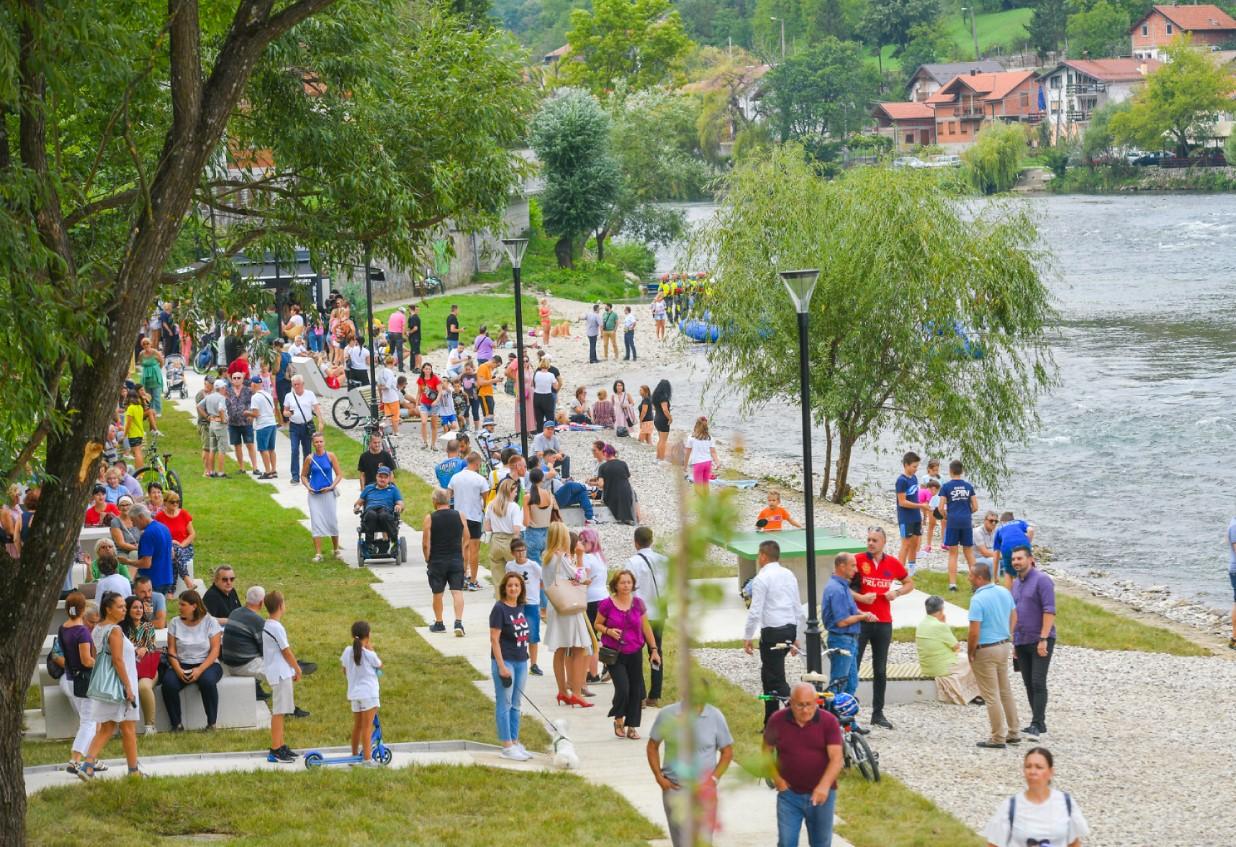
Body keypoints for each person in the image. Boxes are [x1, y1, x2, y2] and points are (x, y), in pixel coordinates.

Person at [763, 682, 845, 847]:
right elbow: (765, 752)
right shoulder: (777, 720)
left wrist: (823, 787)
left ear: (816, 701)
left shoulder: (828, 722)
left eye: (809, 704)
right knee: (786, 842)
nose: (805, 710)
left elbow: (837, 758)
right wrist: (777, 779)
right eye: (800, 705)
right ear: (791, 702)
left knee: (821, 843)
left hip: (822, 797)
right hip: (789, 795)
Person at [646, 694, 734, 847]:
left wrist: (713, 779)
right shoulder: (667, 714)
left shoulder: (715, 716)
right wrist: (659, 777)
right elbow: (652, 746)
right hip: (675, 789)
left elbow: (727, 752)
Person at [851, 527, 913, 730]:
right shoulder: (858, 560)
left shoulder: (893, 563)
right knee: (854, 666)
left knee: (880, 669)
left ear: (883, 543)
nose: (870, 543)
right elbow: (841, 584)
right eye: (868, 539)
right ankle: (848, 711)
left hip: (884, 621)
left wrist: (897, 592)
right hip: (861, 620)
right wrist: (860, 597)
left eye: (874, 540)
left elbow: (909, 583)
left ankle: (878, 713)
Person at [76, 591, 141, 780]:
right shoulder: (115, 630)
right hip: (120, 686)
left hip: (108, 685)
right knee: (128, 729)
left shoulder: (97, 629)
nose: (124, 610)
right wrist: (128, 687)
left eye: (124, 606)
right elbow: (118, 660)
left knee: (106, 728)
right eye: (120, 607)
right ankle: (133, 771)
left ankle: (87, 764)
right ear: (108, 609)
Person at [743, 539, 806, 726]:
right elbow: (797, 606)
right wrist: (797, 636)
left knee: (776, 678)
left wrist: (748, 636)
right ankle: (770, 721)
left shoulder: (761, 579)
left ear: (763, 556)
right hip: (789, 628)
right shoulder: (789, 574)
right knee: (768, 674)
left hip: (772, 631)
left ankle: (796, 715)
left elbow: (755, 610)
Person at [595, 569, 660, 739]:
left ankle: (632, 726)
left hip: (634, 651)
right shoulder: (607, 604)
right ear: (615, 585)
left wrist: (654, 650)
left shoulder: (638, 603)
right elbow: (597, 624)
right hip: (614, 654)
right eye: (622, 582)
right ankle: (618, 719)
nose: (626, 585)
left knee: (636, 690)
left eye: (629, 582)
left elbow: (646, 628)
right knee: (623, 688)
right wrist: (608, 631)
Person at [983, 748, 1089, 847]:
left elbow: (1074, 843)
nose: (1032, 772)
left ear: (1051, 772)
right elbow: (993, 844)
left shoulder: (1066, 803)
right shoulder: (1010, 806)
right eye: (1028, 766)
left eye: (1039, 767)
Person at [967, 561, 1021, 749]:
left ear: (980, 578)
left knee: (991, 695)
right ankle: (1014, 732)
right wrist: (1009, 634)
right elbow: (1014, 615)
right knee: (1005, 690)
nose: (969, 579)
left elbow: (974, 631)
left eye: (971, 576)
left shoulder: (977, 599)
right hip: (1003, 645)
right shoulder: (1004, 592)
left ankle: (998, 736)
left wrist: (970, 652)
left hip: (986, 648)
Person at [542, 523, 594, 708]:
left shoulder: (546, 556)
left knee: (560, 648)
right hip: (569, 605)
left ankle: (563, 691)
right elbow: (579, 575)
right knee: (579, 647)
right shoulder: (560, 556)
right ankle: (577, 692)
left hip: (556, 605)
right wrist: (580, 558)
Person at [162, 589, 224, 732]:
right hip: (182, 662)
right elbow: (171, 650)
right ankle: (176, 724)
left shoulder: (210, 621)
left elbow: (215, 650)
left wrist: (200, 669)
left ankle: (212, 724)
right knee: (168, 684)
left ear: (194, 606)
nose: (179, 607)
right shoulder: (175, 622)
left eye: (183, 604)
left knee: (207, 681)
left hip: (208, 663)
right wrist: (178, 670)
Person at [1010, 546, 1056, 739]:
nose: (1016, 562)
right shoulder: (1015, 583)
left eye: (1019, 558)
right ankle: (1039, 722)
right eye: (1013, 559)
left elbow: (1049, 610)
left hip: (1040, 639)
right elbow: (1014, 613)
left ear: (1030, 559)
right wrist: (1013, 641)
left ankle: (1036, 723)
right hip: (1021, 640)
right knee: (1028, 683)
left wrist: (1044, 638)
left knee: (1038, 681)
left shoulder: (1042, 580)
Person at [821, 552, 877, 701]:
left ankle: (847, 721)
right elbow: (842, 621)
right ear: (841, 566)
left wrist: (863, 612)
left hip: (850, 640)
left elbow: (851, 609)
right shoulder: (837, 589)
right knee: (839, 684)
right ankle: (834, 720)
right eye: (852, 565)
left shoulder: (843, 586)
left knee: (851, 683)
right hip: (841, 640)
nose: (856, 570)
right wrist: (863, 617)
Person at [490, 572, 533, 760]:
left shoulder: (520, 607)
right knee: (504, 703)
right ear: (504, 588)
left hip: (521, 660)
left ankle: (515, 742)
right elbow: (494, 639)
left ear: (521, 588)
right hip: (505, 661)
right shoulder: (499, 609)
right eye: (510, 586)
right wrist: (501, 666)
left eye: (516, 585)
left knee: (516, 704)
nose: (513, 588)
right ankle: (507, 745)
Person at [626, 527, 669, 707]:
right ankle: (655, 693)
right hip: (658, 611)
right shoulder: (663, 560)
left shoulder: (632, 562)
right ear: (651, 540)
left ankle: (640, 695)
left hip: (639, 613)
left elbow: (628, 588)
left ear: (636, 542)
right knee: (656, 651)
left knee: (635, 655)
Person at [58, 592, 97, 775]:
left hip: (70, 677)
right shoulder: (81, 631)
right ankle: (75, 759)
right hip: (85, 679)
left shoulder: (63, 628)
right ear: (82, 610)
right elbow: (87, 660)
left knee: (87, 720)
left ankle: (92, 758)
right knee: (89, 722)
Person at [915, 595, 981, 705]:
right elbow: (956, 646)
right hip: (941, 667)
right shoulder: (940, 626)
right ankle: (974, 693)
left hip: (926, 667)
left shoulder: (921, 624)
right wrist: (944, 623)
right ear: (941, 610)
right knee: (972, 660)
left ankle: (973, 691)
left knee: (963, 659)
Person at [263, 591, 303, 763]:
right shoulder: (276, 627)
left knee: (282, 711)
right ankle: (275, 749)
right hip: (280, 673)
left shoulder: (268, 624)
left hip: (279, 672)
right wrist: (297, 668)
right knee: (279, 712)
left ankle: (280, 744)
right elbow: (286, 651)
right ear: (280, 606)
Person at [423, 487, 469, 633]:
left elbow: (425, 543)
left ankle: (439, 623)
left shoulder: (430, 518)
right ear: (448, 500)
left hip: (437, 560)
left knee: (438, 593)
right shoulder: (460, 515)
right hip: (456, 558)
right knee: (457, 591)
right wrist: (462, 554)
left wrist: (427, 557)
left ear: (434, 501)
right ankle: (458, 622)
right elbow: (467, 538)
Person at [343, 620, 383, 765]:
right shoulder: (369, 654)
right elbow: (380, 665)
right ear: (368, 635)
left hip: (354, 694)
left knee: (358, 727)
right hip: (369, 694)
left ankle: (354, 755)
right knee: (367, 727)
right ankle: (367, 759)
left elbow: (344, 670)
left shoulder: (347, 651)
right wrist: (371, 648)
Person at [448, 451, 489, 592]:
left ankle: (462, 578)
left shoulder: (455, 477)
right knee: (474, 550)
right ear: (477, 463)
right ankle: (473, 581)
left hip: (458, 517)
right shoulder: (480, 479)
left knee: (462, 549)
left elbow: (448, 495)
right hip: (474, 517)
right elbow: (486, 499)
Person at [120, 595, 160, 733]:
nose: (138, 610)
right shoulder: (120, 629)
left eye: (140, 607)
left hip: (147, 669)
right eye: (135, 607)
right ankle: (124, 727)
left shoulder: (148, 626)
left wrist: (146, 648)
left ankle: (150, 726)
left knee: (143, 687)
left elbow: (154, 647)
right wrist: (134, 649)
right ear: (128, 610)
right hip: (127, 669)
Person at [301, 432, 342, 561]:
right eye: (316, 442)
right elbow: (303, 475)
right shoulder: (310, 458)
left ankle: (336, 549)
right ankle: (318, 553)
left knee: (332, 521)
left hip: (328, 493)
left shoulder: (330, 456)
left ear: (324, 442)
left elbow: (339, 474)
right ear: (313, 444)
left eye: (321, 441)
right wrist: (308, 486)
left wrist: (331, 486)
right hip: (314, 495)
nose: (319, 444)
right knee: (316, 521)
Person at [505, 538, 543, 676]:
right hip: (516, 603)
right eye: (518, 551)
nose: (521, 554)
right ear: (512, 553)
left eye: (523, 550)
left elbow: (543, 580)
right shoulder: (510, 566)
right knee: (516, 633)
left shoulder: (533, 565)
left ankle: (534, 664)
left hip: (531, 603)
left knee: (532, 634)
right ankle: (520, 659)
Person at [941, 459, 979, 591]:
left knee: (953, 553)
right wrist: (967, 513)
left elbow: (941, 508)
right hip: (966, 521)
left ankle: (952, 585)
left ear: (950, 471)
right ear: (962, 471)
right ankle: (977, 584)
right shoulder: (968, 486)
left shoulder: (946, 487)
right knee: (968, 552)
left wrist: (947, 515)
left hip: (953, 521)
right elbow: (975, 507)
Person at [484, 479, 524, 588]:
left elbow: (487, 527)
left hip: (496, 539)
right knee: (516, 575)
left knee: (498, 579)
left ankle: (500, 601)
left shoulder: (491, 505)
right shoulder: (514, 507)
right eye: (515, 492)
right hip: (510, 540)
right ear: (509, 492)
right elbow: (516, 529)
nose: (516, 494)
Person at [282, 375, 321, 485]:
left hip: (307, 425)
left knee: (307, 451)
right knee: (294, 450)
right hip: (294, 426)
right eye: (294, 385)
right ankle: (295, 476)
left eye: (298, 384)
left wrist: (320, 420)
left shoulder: (310, 394)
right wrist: (288, 413)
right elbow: (284, 411)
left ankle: (306, 475)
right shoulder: (289, 396)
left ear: (303, 384)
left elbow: (316, 407)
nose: (296, 386)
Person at [155, 492, 196, 592]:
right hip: (167, 548)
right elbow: (158, 536)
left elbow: (192, 534)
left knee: (175, 555)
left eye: (177, 502)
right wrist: (171, 543)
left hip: (185, 547)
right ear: (165, 503)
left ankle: (170, 590)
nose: (175, 504)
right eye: (172, 502)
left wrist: (181, 545)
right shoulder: (159, 517)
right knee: (174, 553)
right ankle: (187, 580)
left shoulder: (184, 514)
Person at [355, 465, 403, 549]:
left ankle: (394, 541)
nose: (382, 479)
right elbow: (358, 502)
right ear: (376, 477)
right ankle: (369, 544)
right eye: (380, 476)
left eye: (385, 477)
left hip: (385, 510)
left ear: (389, 479)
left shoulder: (393, 490)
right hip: (370, 510)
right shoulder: (368, 488)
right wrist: (357, 507)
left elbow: (401, 503)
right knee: (371, 515)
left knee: (383, 515)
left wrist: (399, 506)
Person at [132, 503, 174, 598]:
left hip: (152, 581)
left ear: (141, 517)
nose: (133, 524)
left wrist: (128, 561)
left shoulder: (148, 534)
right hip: (167, 577)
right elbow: (172, 554)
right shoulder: (164, 528)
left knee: (148, 611)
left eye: (134, 520)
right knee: (159, 609)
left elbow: (146, 563)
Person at [224, 371, 260, 475]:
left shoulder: (249, 391)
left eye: (238, 378)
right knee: (237, 446)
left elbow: (255, 403)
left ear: (242, 379)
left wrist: (252, 415)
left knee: (250, 445)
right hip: (233, 423)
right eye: (234, 378)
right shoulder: (228, 391)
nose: (236, 380)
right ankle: (241, 468)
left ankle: (255, 467)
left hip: (246, 423)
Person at [895, 451, 923, 576]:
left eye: (917, 466)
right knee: (905, 544)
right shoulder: (901, 481)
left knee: (915, 543)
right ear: (906, 465)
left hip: (916, 516)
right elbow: (902, 502)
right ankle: (899, 572)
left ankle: (911, 570)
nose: (916, 469)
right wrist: (920, 506)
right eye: (914, 466)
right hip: (905, 517)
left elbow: (915, 497)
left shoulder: (914, 478)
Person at [596, 443, 637, 525]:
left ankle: (621, 518)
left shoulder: (603, 467)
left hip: (611, 494)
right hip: (626, 492)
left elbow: (601, 484)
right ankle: (628, 518)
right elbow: (627, 478)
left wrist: (592, 483)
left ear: (605, 453)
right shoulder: (623, 463)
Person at [247, 374, 278, 479]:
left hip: (263, 425)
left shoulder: (255, 397)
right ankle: (273, 470)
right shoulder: (267, 394)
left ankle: (267, 472)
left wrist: (247, 413)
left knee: (263, 449)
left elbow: (256, 414)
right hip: (272, 423)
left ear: (253, 384)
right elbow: (273, 410)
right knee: (271, 448)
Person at [994, 511, 1035, 589]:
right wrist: (1027, 545)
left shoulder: (999, 529)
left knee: (1009, 573)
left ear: (1002, 522)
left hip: (1007, 547)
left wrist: (995, 576)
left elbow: (996, 555)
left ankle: (1009, 598)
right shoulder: (1019, 522)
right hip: (1023, 545)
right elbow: (1031, 530)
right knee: (1029, 570)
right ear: (1013, 519)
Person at [684, 416, 718, 493]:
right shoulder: (710, 438)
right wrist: (717, 462)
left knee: (698, 488)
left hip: (698, 464)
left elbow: (687, 453)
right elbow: (713, 452)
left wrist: (685, 466)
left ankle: (702, 502)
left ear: (696, 426)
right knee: (706, 485)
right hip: (708, 463)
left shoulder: (691, 438)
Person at [416, 362, 443, 450]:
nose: (428, 370)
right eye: (426, 369)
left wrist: (436, 401)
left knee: (434, 425)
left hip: (434, 404)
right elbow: (419, 392)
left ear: (431, 370)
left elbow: (440, 392)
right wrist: (417, 403)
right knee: (423, 422)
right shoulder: (420, 379)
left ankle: (433, 444)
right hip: (424, 403)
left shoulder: (435, 378)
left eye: (429, 369)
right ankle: (425, 442)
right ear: (423, 370)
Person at [377, 355, 402, 435]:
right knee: (395, 416)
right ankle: (396, 432)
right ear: (393, 362)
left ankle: (381, 431)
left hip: (385, 398)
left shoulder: (381, 372)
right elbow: (388, 386)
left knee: (387, 417)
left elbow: (379, 386)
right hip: (393, 397)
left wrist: (381, 396)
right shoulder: (390, 373)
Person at [531, 358, 559, 431]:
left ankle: (539, 433)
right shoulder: (551, 375)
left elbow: (533, 384)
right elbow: (556, 387)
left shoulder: (536, 373)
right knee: (549, 417)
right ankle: (550, 433)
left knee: (539, 418)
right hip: (547, 396)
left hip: (537, 396)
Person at [652, 379, 672, 463]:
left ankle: (658, 457)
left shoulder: (655, 396)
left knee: (660, 439)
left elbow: (654, 408)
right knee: (663, 440)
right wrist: (670, 418)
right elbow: (665, 410)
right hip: (663, 419)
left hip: (656, 418)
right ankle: (661, 458)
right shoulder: (664, 397)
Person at [386, 307, 406, 372]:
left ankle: (388, 364)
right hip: (398, 334)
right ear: (403, 312)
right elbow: (403, 327)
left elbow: (389, 323)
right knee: (399, 351)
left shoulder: (392, 314)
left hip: (390, 333)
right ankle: (400, 368)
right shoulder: (403, 316)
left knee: (391, 350)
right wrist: (403, 336)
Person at [406, 303, 422, 371]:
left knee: (417, 353)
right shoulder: (411, 317)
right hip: (413, 337)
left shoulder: (414, 317)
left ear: (410, 309)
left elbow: (415, 328)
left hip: (415, 337)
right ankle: (415, 366)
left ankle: (418, 367)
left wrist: (409, 332)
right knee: (414, 352)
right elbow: (411, 327)